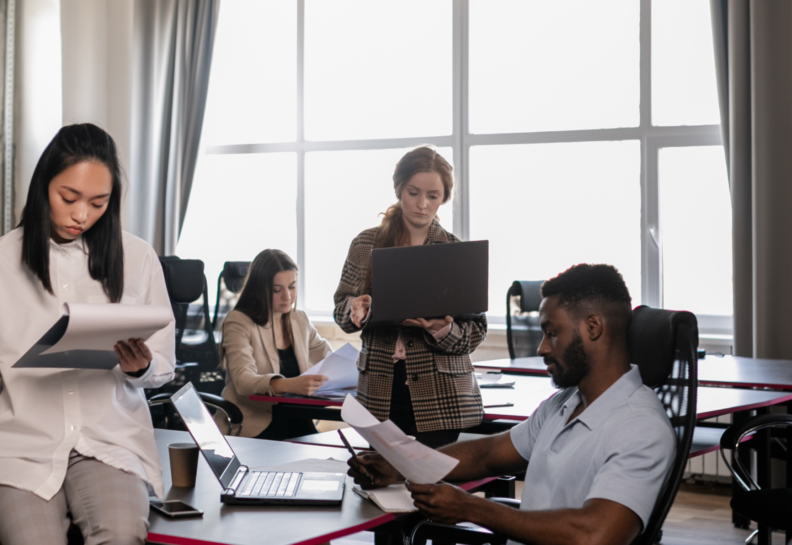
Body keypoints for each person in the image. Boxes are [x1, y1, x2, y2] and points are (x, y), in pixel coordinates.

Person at [0, 124, 176, 545]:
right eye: (68, 198)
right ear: (43, 187)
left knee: (122, 534)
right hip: (16, 447)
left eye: (98, 202)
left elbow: (163, 366)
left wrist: (140, 367)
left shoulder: (138, 257)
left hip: (109, 441)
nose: (81, 215)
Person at [348, 264, 676, 545]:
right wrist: (401, 465)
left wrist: (471, 509)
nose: (542, 348)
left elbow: (596, 536)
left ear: (593, 327)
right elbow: (488, 456)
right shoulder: (563, 405)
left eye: (552, 333)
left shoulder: (640, 428)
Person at [333, 146, 487, 449]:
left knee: (431, 489)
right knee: (379, 482)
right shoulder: (365, 243)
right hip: (380, 387)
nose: (422, 205)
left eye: (433, 196)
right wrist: (356, 308)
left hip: (441, 392)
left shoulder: (454, 250)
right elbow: (341, 311)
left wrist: (439, 328)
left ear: (443, 197)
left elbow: (476, 332)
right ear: (399, 189)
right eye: (413, 192)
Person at [218, 249, 331, 440]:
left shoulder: (299, 319)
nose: (287, 297)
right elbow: (243, 380)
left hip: (299, 421)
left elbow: (329, 358)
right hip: (255, 426)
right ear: (259, 289)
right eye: (277, 290)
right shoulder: (238, 321)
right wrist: (291, 385)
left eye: (292, 287)